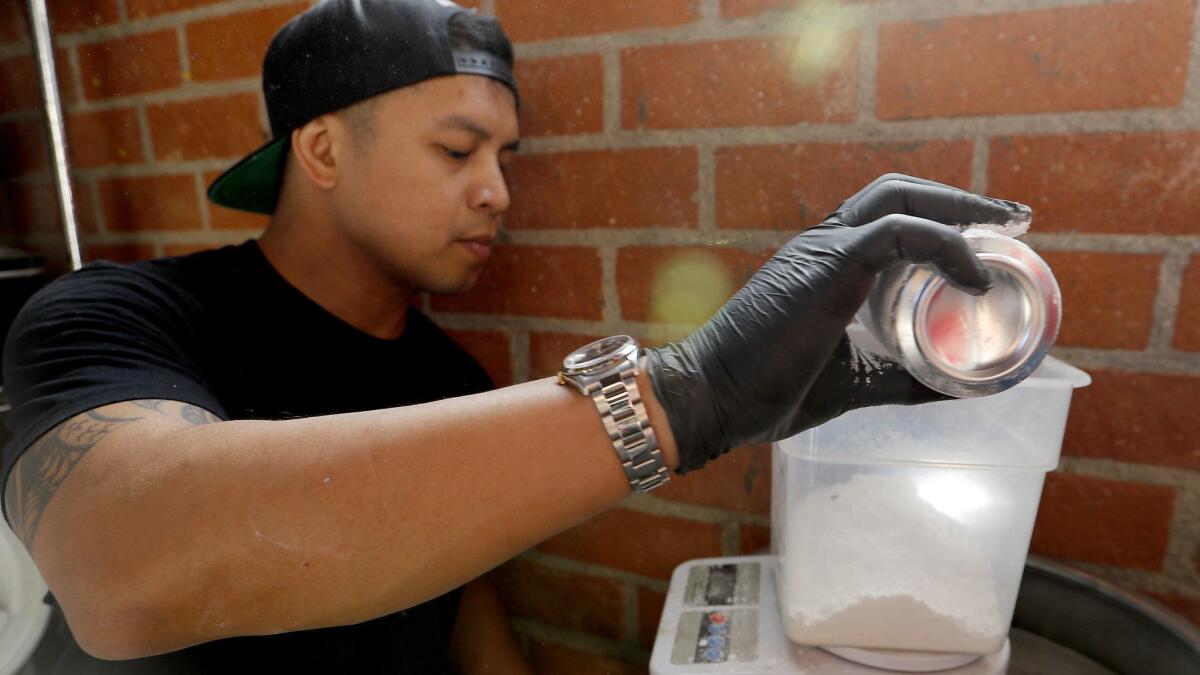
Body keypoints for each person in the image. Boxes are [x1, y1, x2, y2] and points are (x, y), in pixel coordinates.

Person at [0, 0, 1031, 672]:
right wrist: (687, 396)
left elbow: (454, 591)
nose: (497, 191)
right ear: (320, 149)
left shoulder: (447, 376)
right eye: (457, 150)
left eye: (506, 154)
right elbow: (121, 568)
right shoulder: (112, 317)